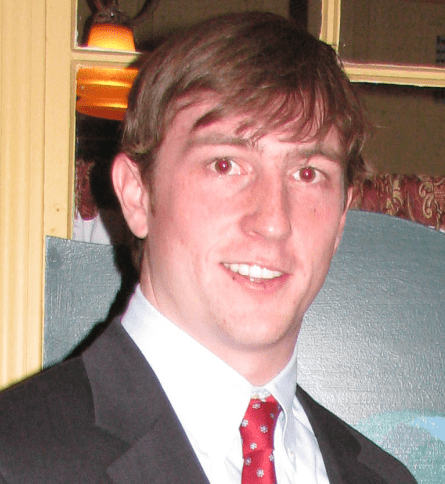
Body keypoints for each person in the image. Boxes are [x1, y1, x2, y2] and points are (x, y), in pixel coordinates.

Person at [0, 12, 416, 484]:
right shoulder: (14, 457)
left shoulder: (386, 478)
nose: (274, 220)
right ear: (137, 195)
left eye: (307, 173)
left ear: (342, 220)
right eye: (225, 165)